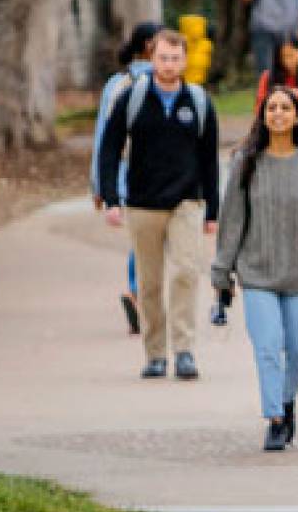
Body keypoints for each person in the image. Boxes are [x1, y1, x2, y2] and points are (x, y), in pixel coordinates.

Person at [212, 87, 298, 452]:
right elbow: (231, 222)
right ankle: (276, 419)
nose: (278, 113)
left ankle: (286, 400)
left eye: (285, 108)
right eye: (272, 108)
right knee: (268, 347)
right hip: (257, 274)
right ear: (263, 116)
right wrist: (222, 272)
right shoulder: (246, 163)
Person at [98, 30, 220, 381]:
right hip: (142, 203)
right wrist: (111, 198)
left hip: (187, 202)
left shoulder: (197, 102)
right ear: (152, 59)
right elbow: (110, 147)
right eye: (163, 58)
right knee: (149, 283)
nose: (168, 65)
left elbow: (209, 159)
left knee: (185, 272)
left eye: (175, 59)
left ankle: (184, 350)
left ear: (184, 61)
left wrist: (212, 210)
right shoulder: (132, 98)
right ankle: (155, 354)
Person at [92, 21, 160, 336]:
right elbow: (109, 137)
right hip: (141, 172)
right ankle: (138, 292)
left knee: (142, 236)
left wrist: (99, 184)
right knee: (147, 236)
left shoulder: (115, 83)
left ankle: (139, 291)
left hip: (123, 172)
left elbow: (102, 139)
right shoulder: (158, 81)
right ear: (148, 45)